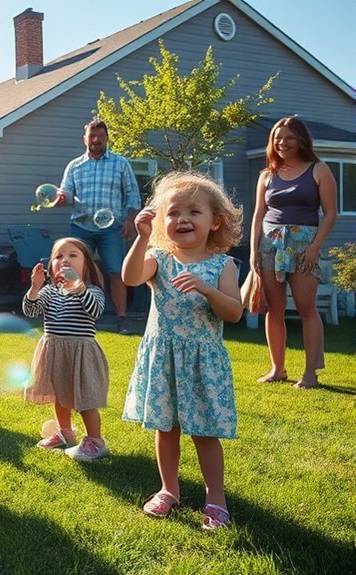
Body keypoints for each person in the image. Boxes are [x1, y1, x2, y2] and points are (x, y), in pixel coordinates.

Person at [121, 172, 244, 530]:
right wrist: (142, 239)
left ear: (215, 221)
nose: (183, 219)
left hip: (202, 362)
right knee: (166, 427)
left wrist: (207, 289)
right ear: (161, 220)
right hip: (164, 359)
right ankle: (168, 489)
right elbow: (130, 278)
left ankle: (216, 498)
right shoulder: (159, 257)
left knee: (205, 433)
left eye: (194, 211)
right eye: (173, 212)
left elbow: (233, 313)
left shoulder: (223, 265)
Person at [250, 116, 338, 389]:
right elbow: (257, 215)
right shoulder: (266, 175)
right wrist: (254, 251)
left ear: (301, 140)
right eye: (277, 138)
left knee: (306, 308)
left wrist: (314, 248)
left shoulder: (319, 169)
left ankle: (310, 373)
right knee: (273, 310)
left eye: (289, 137)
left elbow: (331, 212)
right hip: (269, 244)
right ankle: (278, 369)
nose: (282, 142)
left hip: (304, 246)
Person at [23, 237, 110, 461]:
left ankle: (95, 441)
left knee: (84, 399)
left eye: (73, 255)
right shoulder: (49, 292)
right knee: (59, 396)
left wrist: (79, 287)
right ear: (51, 266)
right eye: (58, 257)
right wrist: (35, 287)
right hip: (54, 350)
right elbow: (31, 311)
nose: (65, 260)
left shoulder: (92, 291)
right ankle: (65, 433)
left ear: (86, 264)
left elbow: (95, 311)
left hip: (81, 353)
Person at [58, 120, 142, 335]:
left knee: (116, 271)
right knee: (78, 271)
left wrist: (130, 220)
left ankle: (121, 319)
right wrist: (60, 198)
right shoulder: (75, 166)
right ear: (84, 139)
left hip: (111, 228)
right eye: (91, 136)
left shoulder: (120, 163)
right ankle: (79, 317)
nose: (96, 140)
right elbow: (66, 193)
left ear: (107, 138)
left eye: (100, 136)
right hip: (81, 226)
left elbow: (132, 194)